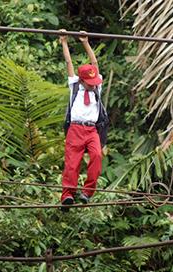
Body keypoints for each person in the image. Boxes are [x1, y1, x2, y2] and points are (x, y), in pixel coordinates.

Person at [59, 30, 109, 211]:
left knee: (96, 156)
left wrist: (85, 42)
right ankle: (67, 196)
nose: (94, 84)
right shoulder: (74, 86)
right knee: (72, 163)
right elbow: (68, 62)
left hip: (91, 130)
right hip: (75, 129)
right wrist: (64, 42)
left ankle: (87, 192)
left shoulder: (97, 88)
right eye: (90, 82)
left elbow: (94, 63)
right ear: (82, 81)